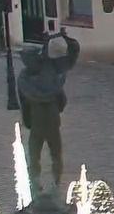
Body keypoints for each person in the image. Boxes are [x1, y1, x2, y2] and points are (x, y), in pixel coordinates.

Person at [17, 29, 80, 194]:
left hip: (46, 120)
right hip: (41, 121)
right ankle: (38, 186)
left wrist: (66, 39)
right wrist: (54, 91)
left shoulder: (46, 68)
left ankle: (53, 185)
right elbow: (34, 95)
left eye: (30, 59)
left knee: (51, 155)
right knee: (38, 156)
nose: (28, 62)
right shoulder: (30, 75)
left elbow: (72, 57)